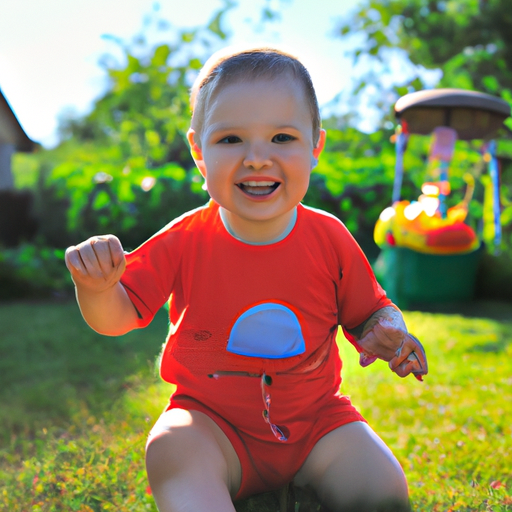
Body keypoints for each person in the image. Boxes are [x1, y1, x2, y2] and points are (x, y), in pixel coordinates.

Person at [65, 47, 427, 512]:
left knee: (382, 490)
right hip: (212, 425)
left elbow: (369, 311)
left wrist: (386, 331)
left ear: (315, 146)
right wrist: (97, 289)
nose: (257, 158)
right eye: (231, 140)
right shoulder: (184, 239)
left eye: (281, 137)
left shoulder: (330, 238)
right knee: (172, 446)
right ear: (199, 152)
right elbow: (119, 317)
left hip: (317, 425)